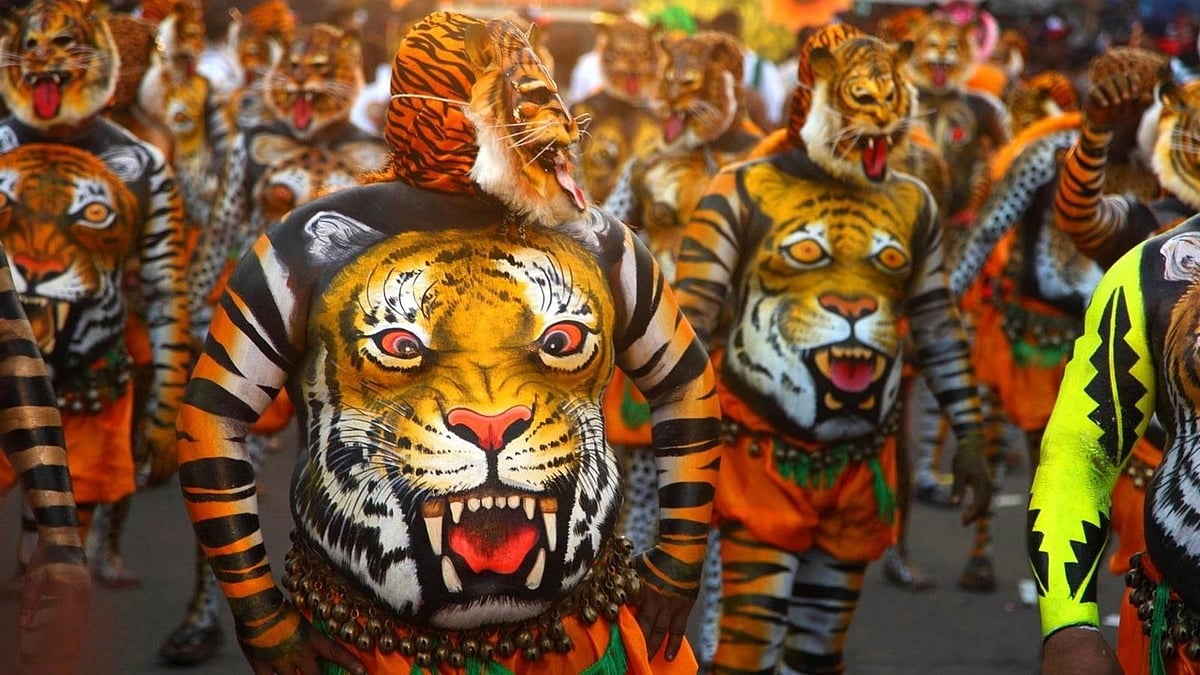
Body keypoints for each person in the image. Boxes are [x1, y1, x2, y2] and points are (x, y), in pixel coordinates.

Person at [176, 11, 721, 674]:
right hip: (368, 650)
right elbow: (212, 414)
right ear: (433, 113)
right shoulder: (311, 244)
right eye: (509, 102)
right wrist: (258, 611)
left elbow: (685, 381)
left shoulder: (595, 240)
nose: (541, 121)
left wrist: (681, 556)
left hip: (576, 646)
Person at [672, 30, 991, 673]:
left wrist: (971, 432)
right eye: (860, 100)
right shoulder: (742, 190)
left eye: (889, 101)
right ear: (816, 89)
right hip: (761, 457)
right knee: (747, 654)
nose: (877, 121)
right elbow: (688, 330)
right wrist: (683, 461)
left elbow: (934, 319)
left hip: (859, 465)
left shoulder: (912, 200)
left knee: (819, 656)